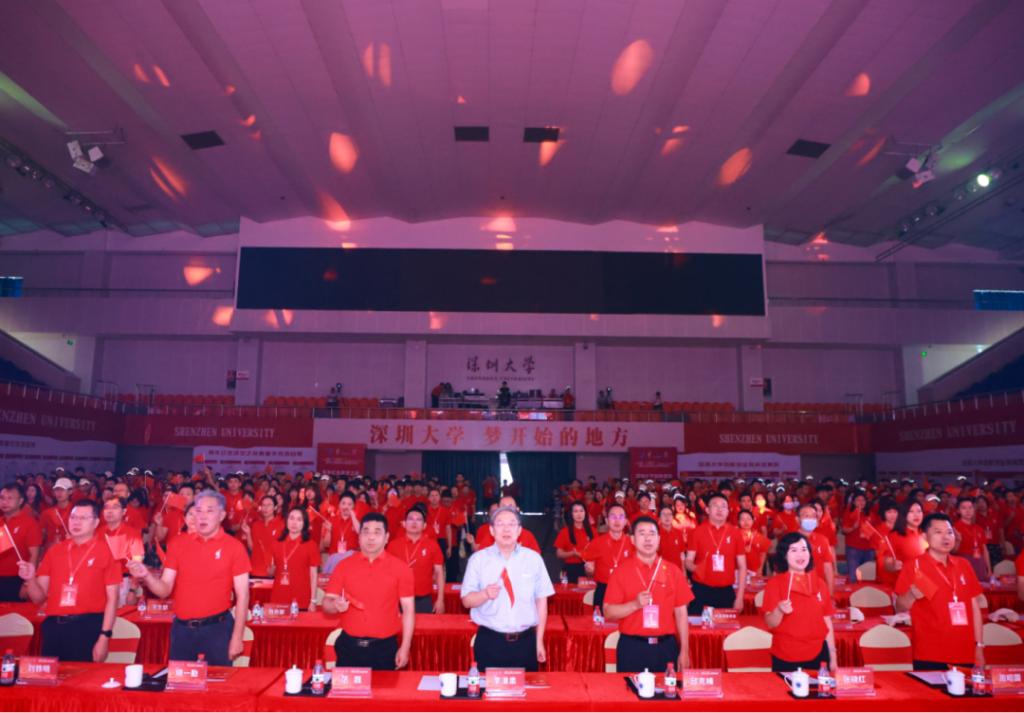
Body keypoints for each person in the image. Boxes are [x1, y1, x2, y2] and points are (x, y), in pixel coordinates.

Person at [127, 490, 250, 665]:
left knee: (218, 681)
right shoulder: (178, 544)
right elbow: (164, 590)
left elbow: (243, 595)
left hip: (218, 629)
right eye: (198, 511)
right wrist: (146, 575)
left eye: (209, 511)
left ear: (222, 515)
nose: (202, 516)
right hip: (182, 630)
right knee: (179, 681)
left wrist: (237, 637)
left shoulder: (234, 547)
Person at [18, 500, 120, 661]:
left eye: (83, 518)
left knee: (82, 676)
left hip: (87, 627)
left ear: (95, 523)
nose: (76, 522)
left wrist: (104, 636)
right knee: (50, 675)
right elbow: (39, 598)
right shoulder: (54, 551)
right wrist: (30, 579)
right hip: (54, 627)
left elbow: (112, 599)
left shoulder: (106, 552)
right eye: (73, 517)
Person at [461, 506, 554, 671]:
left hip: (525, 643)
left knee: (527, 688)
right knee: (488, 688)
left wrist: (539, 641)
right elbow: (467, 601)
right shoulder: (478, 560)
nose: (506, 529)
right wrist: (485, 594)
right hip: (490, 641)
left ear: (519, 530)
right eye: (500, 524)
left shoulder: (533, 559)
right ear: (491, 530)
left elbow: (542, 602)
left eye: (511, 524)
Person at [322, 512, 415, 670]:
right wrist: (335, 605)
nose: (371, 537)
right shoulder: (344, 566)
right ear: (359, 536)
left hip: (384, 649)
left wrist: (405, 647)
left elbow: (408, 610)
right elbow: (326, 603)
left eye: (377, 532)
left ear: (386, 537)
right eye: (366, 532)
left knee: (385, 687)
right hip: (349, 647)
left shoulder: (401, 569)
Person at [895, 512, 985, 671]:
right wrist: (911, 595)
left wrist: (979, 646)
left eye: (949, 532)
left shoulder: (964, 565)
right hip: (930, 653)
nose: (946, 537)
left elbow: (974, 608)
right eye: (938, 532)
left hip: (965, 651)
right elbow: (899, 607)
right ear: (925, 536)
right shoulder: (914, 566)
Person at [603, 516, 692, 673]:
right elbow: (608, 612)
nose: (648, 538)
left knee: (668, 689)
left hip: (666, 647)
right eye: (642, 533)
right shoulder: (621, 571)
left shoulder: (673, 571)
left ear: (658, 539)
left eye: (652, 534)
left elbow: (681, 614)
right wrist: (635, 605)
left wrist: (684, 651)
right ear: (632, 540)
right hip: (632, 648)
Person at [761, 532, 837, 673]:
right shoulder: (775, 583)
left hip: (819, 654)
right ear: (784, 555)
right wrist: (779, 610)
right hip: (786, 655)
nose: (800, 555)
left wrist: (833, 656)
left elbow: (827, 621)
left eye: (804, 549)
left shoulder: (819, 583)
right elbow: (770, 623)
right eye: (794, 550)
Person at [685, 492, 747, 614]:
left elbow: (742, 566)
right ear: (707, 510)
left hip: (726, 592)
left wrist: (740, 597)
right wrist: (695, 567)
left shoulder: (735, 533)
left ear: (728, 511)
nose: (720, 509)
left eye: (723, 506)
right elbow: (688, 561)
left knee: (727, 626)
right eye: (715, 505)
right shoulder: (697, 532)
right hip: (701, 590)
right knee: (697, 625)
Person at [386, 505, 445, 614]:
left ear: (424, 525)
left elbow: (439, 573)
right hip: (398, 599)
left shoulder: (432, 545)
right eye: (410, 519)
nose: (414, 522)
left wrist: (440, 599)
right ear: (404, 524)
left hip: (423, 599)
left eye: (418, 520)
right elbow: (387, 574)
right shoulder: (393, 546)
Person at [582, 503, 635, 611]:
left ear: (625, 521)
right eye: (613, 516)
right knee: (600, 621)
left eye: (621, 517)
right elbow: (588, 572)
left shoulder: (633, 543)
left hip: (626, 590)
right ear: (606, 521)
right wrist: (589, 570)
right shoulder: (596, 543)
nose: (617, 520)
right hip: (603, 590)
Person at [269, 506, 319, 610]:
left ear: (304, 524)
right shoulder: (276, 543)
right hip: (279, 596)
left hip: (302, 598)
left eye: (299, 519)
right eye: (291, 518)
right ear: (286, 521)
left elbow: (313, 575)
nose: (294, 523)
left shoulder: (311, 545)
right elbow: (271, 571)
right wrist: (271, 570)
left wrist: (313, 600)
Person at [0, 484, 41, 601]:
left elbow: (34, 555)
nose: (5, 502)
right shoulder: (1, 522)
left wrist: (27, 582)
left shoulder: (30, 523)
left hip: (17, 579)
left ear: (20, 501)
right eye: (2, 498)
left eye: (10, 498)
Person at [796, 502, 835, 595]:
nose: (810, 519)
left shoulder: (823, 540)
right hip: (796, 590)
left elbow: (828, 569)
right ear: (797, 519)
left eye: (813, 516)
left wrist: (830, 594)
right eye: (806, 516)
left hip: (818, 590)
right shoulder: (790, 540)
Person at [240, 495, 284, 578]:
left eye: (269, 505)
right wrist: (248, 533)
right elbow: (252, 548)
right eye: (263, 505)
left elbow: (283, 550)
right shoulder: (256, 525)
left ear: (275, 507)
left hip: (272, 571)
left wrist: (275, 567)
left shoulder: (281, 525)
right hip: (254, 570)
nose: (265, 508)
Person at [953, 497, 991, 581]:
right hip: (963, 563)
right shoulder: (955, 528)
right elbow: (952, 551)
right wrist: (958, 540)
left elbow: (985, 550)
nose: (968, 511)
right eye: (964, 508)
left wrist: (989, 569)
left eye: (970, 508)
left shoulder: (979, 528)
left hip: (979, 562)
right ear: (958, 511)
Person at [554, 501, 593, 583]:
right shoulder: (564, 532)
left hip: (590, 568)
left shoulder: (593, 531)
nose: (579, 514)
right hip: (571, 569)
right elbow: (559, 554)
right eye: (575, 511)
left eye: (581, 511)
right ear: (571, 514)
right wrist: (572, 553)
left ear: (585, 513)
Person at [841, 490, 875, 578]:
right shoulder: (849, 513)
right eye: (858, 500)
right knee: (853, 576)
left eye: (863, 500)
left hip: (869, 548)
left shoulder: (871, 513)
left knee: (867, 577)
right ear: (853, 502)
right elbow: (844, 530)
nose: (861, 502)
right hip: (854, 548)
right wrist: (853, 527)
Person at [39, 477, 74, 549]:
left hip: (71, 549)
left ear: (70, 491)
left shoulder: (75, 511)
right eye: (57, 489)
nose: (59, 493)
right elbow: (41, 536)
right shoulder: (46, 513)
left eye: (62, 490)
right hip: (51, 550)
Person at [737, 509, 770, 575]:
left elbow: (763, 553)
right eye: (742, 519)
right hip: (737, 570)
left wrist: (760, 569)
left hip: (754, 571)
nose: (746, 522)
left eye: (748, 519)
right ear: (738, 522)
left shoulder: (759, 536)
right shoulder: (734, 536)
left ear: (753, 521)